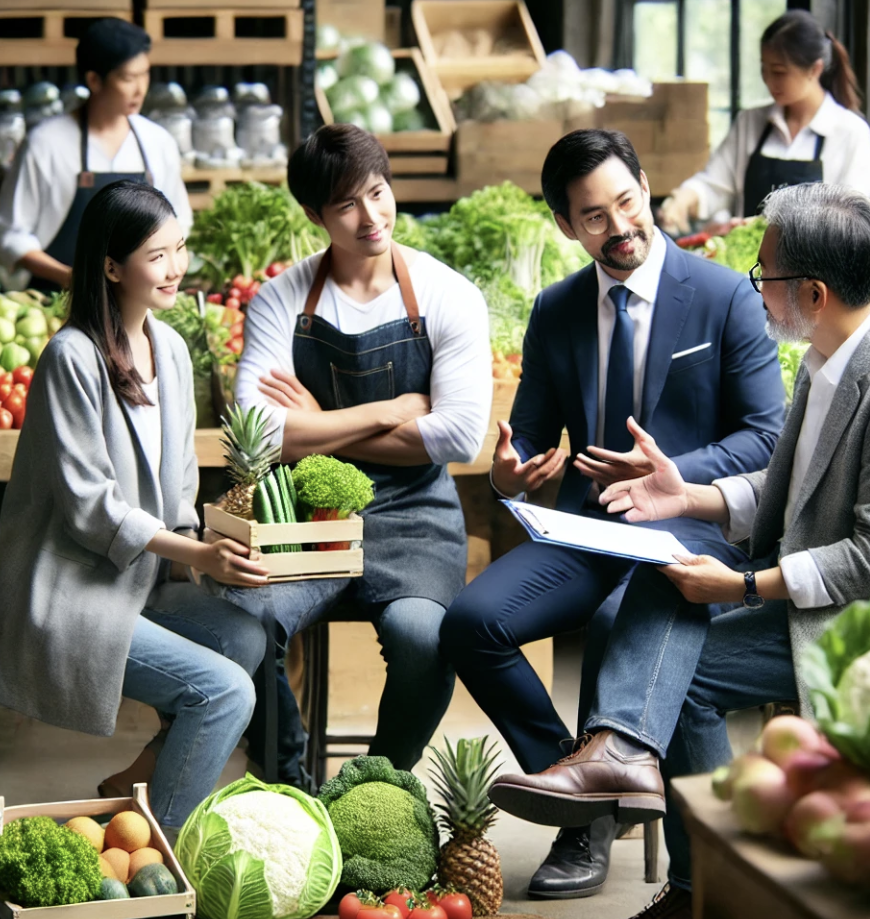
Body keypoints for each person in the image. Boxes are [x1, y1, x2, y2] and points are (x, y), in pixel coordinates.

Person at [487, 183, 870, 919]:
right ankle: (632, 767)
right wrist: (688, 498)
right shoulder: (826, 357)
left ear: (814, 291)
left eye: (763, 275)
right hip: (824, 590)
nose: (756, 290)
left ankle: (687, 868)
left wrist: (741, 588)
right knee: (665, 569)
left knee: (687, 669)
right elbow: (792, 482)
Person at [439, 128, 785, 900]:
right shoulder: (557, 308)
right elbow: (526, 429)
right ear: (567, 225)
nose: (619, 225)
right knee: (471, 622)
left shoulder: (725, 293)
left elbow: (768, 436)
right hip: (587, 529)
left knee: (620, 624)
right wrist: (509, 467)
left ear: (646, 187)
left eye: (627, 201)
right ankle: (588, 797)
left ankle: (592, 820)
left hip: (692, 521)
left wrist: (676, 475)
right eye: (594, 216)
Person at [0, 180, 268, 837]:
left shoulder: (171, 350)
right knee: (225, 690)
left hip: (141, 576)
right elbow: (92, 508)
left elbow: (176, 486)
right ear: (112, 266)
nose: (176, 267)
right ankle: (156, 850)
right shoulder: (71, 356)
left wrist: (217, 547)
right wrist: (199, 553)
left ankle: (137, 782)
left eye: (180, 248)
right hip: (72, 587)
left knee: (245, 636)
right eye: (157, 254)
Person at [227, 124, 492, 781]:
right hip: (310, 509)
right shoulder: (281, 301)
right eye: (346, 204)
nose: (371, 216)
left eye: (377, 192)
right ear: (316, 215)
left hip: (415, 513)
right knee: (246, 623)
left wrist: (314, 420)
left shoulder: (447, 294)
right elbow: (256, 435)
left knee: (422, 638)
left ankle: (375, 787)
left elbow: (458, 436)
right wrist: (388, 412)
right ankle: (292, 786)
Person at [0, 18, 191, 294]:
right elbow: (10, 234)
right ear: (94, 80)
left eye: (145, 74)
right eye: (128, 78)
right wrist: (72, 279)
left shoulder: (157, 142)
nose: (140, 89)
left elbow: (179, 222)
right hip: (57, 299)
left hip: (135, 301)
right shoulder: (46, 144)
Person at [659, 9, 870, 233]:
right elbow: (715, 184)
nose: (769, 81)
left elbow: (852, 223)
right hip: (747, 265)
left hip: (816, 266)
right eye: (764, 70)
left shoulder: (851, 132)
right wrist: (684, 198)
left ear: (815, 69)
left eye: (779, 72)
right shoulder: (750, 121)